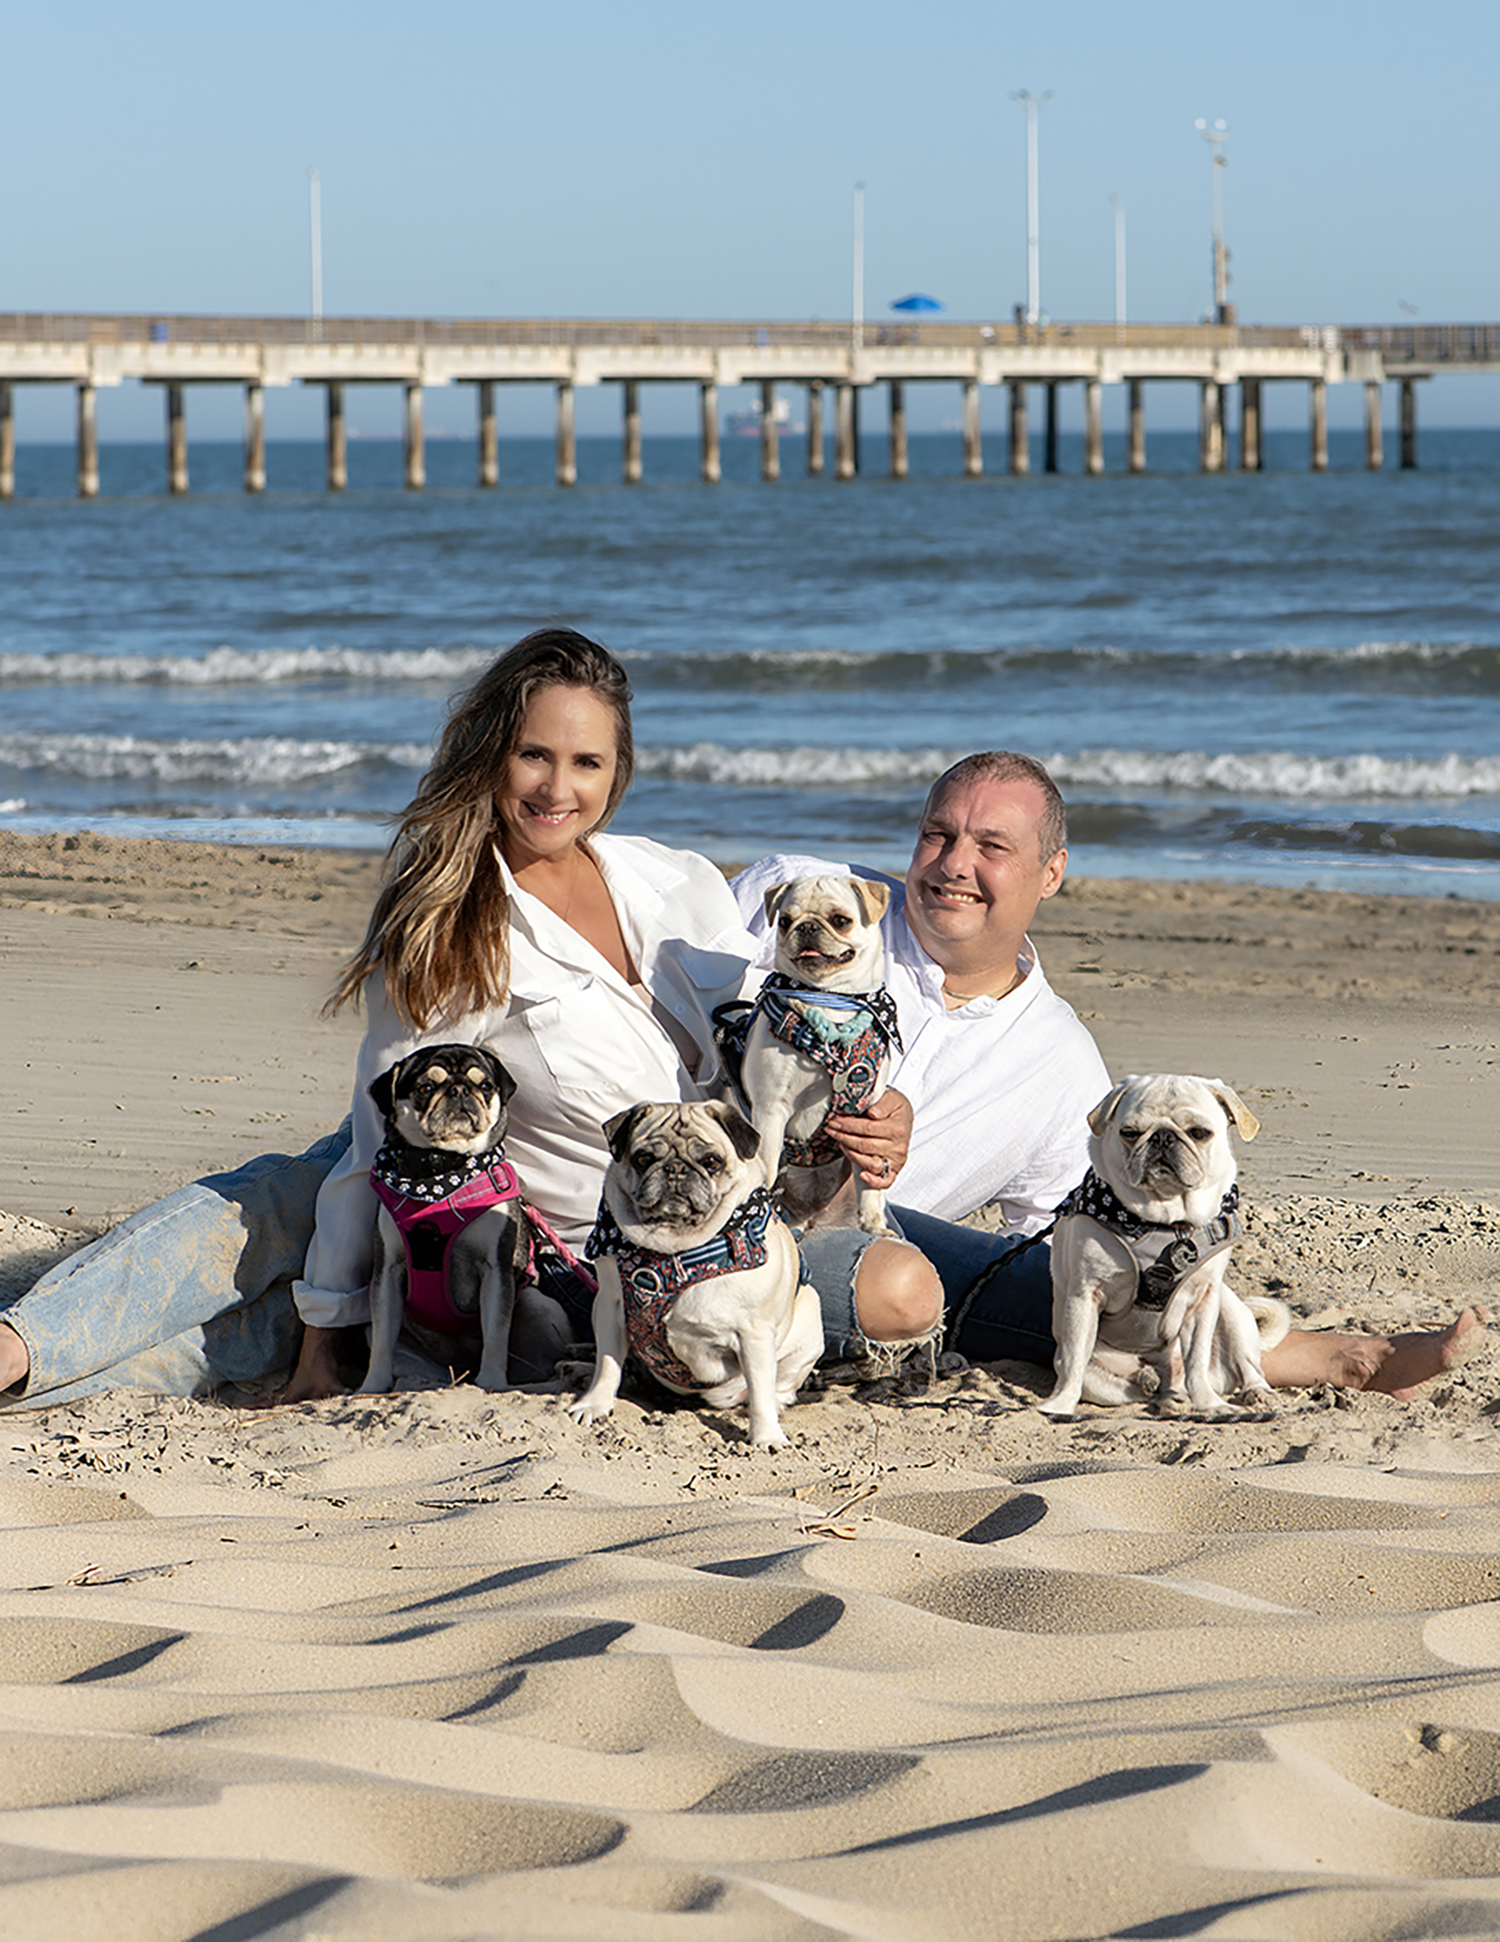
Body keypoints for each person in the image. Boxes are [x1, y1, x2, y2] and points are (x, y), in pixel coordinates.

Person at [731, 751, 1486, 1398]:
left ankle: (1329, 1356)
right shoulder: (814, 899)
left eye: (991, 845)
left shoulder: (1062, 1064)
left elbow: (1077, 1254)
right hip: (722, 1201)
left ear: (1050, 872)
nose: (955, 864)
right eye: (938, 834)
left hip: (869, 1259)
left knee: (1051, 1278)